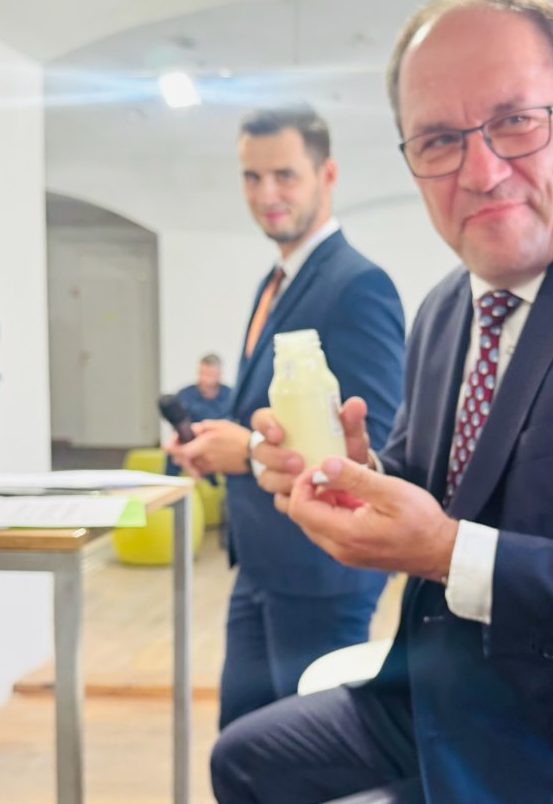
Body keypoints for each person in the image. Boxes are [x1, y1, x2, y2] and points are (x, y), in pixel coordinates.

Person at [211, 0, 553, 804]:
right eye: (440, 139)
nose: (480, 173)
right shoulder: (448, 306)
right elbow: (432, 478)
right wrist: (355, 474)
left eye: (515, 121)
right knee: (242, 760)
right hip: (425, 688)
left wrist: (444, 551)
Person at [167, 104, 405, 728]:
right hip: (261, 562)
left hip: (320, 574)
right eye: (252, 177)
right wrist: (216, 443)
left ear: (327, 175)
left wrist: (246, 452)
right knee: (241, 746)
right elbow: (268, 414)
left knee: (307, 759)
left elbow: (375, 449)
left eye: (285, 175)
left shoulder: (358, 285)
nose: (266, 194)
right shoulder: (275, 281)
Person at [164, 354, 231, 476]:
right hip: (189, 443)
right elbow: (176, 424)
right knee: (174, 453)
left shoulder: (231, 396)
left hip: (218, 447)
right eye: (202, 373)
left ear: (219, 375)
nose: (204, 379)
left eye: (209, 375)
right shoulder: (184, 395)